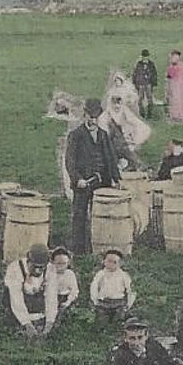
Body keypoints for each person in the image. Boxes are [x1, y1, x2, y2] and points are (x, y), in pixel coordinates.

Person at [65, 98, 121, 254]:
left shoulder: (103, 135)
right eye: (91, 117)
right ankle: (78, 249)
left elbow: (110, 158)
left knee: (103, 215)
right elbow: (70, 161)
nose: (93, 120)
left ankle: (101, 246)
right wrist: (77, 179)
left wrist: (115, 179)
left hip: (102, 182)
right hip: (84, 183)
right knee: (79, 215)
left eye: (96, 117)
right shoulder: (76, 135)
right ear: (85, 115)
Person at [111, 316, 183, 365]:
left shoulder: (153, 346)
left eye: (140, 337)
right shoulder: (121, 355)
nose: (137, 343)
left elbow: (171, 361)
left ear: (146, 336)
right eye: (132, 338)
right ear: (125, 338)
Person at [3, 243, 58, 338]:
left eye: (41, 267)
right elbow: (16, 299)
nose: (38, 271)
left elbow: (51, 297)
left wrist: (49, 324)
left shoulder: (50, 270)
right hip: (15, 308)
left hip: (37, 308)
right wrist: (27, 324)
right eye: (35, 266)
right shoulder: (15, 269)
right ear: (28, 261)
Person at [89, 248, 136, 322]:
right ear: (104, 261)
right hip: (104, 302)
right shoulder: (101, 274)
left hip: (118, 302)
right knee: (101, 320)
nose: (111, 264)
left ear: (120, 263)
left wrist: (129, 304)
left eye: (115, 262)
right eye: (109, 261)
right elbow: (94, 286)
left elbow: (131, 290)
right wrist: (95, 300)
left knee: (119, 318)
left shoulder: (123, 275)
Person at [48, 246, 81, 317]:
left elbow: (74, 290)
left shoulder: (70, 274)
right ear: (53, 262)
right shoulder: (49, 273)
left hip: (65, 299)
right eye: (58, 263)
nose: (61, 266)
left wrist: (67, 302)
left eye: (64, 263)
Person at [132, 49, 157, 119]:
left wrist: (153, 82)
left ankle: (150, 114)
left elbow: (154, 73)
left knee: (149, 98)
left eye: (146, 56)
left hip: (148, 83)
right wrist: (135, 82)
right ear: (142, 57)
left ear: (148, 57)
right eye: (144, 56)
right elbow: (136, 73)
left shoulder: (151, 64)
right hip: (141, 84)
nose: (145, 58)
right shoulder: (139, 64)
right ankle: (142, 113)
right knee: (140, 99)